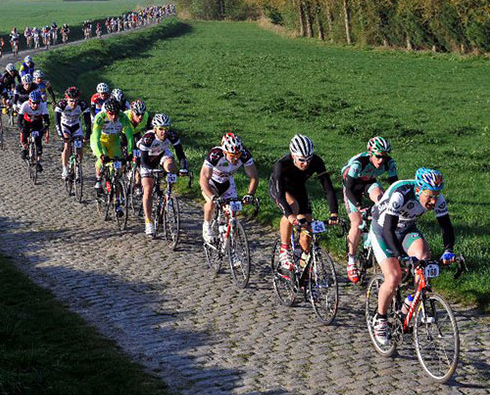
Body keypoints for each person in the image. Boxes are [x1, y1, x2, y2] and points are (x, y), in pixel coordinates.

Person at [369, 168, 455, 346]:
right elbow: (388, 229)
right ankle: (380, 318)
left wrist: (448, 250)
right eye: (429, 196)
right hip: (382, 230)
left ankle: (412, 302)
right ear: (418, 190)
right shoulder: (401, 194)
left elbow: (446, 226)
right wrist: (402, 257)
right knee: (393, 277)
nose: (433, 201)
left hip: (406, 228)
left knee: (424, 259)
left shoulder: (438, 199)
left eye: (436, 195)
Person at [269, 134, 339, 272]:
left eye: (308, 159)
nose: (306, 164)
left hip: (299, 188)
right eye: (301, 160)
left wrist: (334, 212)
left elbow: (328, 188)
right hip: (280, 190)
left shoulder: (317, 162)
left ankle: (303, 271)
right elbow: (281, 196)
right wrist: (290, 216)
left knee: (307, 231)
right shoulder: (281, 165)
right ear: (293, 155)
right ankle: (285, 249)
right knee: (293, 207)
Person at [341, 136, 398, 283]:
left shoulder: (389, 163)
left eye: (384, 157)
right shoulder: (358, 164)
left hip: (369, 183)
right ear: (370, 153)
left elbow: (395, 187)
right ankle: (351, 261)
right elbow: (348, 189)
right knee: (356, 222)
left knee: (381, 198)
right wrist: (358, 207)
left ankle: (372, 242)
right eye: (378, 156)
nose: (381, 161)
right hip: (352, 186)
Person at [200, 132, 259, 243]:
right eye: (232, 156)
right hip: (212, 183)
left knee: (232, 213)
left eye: (238, 155)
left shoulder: (245, 155)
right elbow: (203, 178)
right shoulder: (215, 155)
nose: (236, 159)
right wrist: (212, 196)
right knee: (211, 203)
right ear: (224, 152)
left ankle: (230, 243)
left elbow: (254, 177)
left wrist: (250, 194)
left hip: (227, 183)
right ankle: (207, 226)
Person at [137, 113, 189, 236]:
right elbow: (143, 160)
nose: (163, 132)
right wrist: (152, 171)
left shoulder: (171, 136)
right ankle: (148, 222)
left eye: (166, 129)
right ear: (155, 129)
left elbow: (180, 154)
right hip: (147, 158)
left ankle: (168, 193)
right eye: (160, 129)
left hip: (161, 153)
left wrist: (183, 168)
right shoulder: (148, 138)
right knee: (148, 190)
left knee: (171, 167)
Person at [90, 98, 133, 216]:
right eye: (111, 114)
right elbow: (96, 138)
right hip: (100, 141)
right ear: (106, 112)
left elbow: (129, 136)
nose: (114, 117)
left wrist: (130, 152)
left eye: (116, 114)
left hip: (114, 142)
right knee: (102, 160)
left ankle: (117, 201)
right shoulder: (100, 118)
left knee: (118, 170)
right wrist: (101, 155)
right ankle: (98, 180)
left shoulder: (123, 117)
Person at [55, 86, 91, 179]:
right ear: (67, 99)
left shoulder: (83, 105)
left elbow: (88, 122)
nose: (73, 103)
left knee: (79, 146)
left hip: (76, 126)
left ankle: (78, 167)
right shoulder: (61, 104)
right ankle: (65, 169)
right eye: (71, 101)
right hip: (65, 126)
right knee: (67, 145)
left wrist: (87, 134)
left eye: (75, 101)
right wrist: (60, 134)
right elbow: (57, 121)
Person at [17, 90, 49, 172]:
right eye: (33, 103)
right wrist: (21, 128)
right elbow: (19, 120)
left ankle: (38, 162)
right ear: (30, 101)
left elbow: (47, 121)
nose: (35, 105)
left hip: (37, 124)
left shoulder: (42, 106)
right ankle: (24, 147)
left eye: (37, 103)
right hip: (26, 122)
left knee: (38, 142)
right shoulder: (25, 105)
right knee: (24, 134)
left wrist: (45, 128)